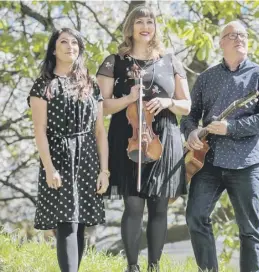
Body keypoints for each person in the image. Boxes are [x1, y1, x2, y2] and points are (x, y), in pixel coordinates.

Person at [96, 5, 191, 272]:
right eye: (139, 21)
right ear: (131, 27)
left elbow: (187, 105)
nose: (145, 26)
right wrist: (128, 98)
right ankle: (132, 266)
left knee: (159, 205)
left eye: (150, 21)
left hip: (164, 137)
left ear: (155, 27)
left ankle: (154, 266)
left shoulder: (171, 61)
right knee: (134, 204)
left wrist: (167, 100)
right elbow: (102, 106)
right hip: (129, 136)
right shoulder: (113, 61)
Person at [181, 21, 259, 272]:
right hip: (209, 161)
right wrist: (191, 131)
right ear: (221, 42)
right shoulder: (206, 78)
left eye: (243, 35)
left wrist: (231, 128)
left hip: (245, 163)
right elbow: (190, 115)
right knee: (195, 217)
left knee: (249, 229)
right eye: (233, 35)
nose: (240, 39)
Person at [28, 28, 109, 272]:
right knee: (67, 223)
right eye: (64, 42)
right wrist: (49, 167)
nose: (70, 46)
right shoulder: (44, 84)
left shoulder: (90, 84)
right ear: (54, 49)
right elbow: (39, 130)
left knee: (80, 224)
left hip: (87, 158)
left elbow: (100, 131)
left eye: (74, 42)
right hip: (59, 158)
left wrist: (104, 171)